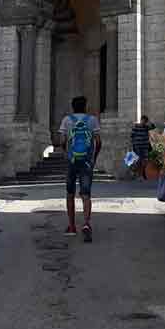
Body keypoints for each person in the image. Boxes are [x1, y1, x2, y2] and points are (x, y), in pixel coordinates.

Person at [59, 95, 101, 241]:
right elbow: (98, 142)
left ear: (72, 106)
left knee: (70, 194)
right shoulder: (92, 120)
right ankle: (87, 223)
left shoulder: (66, 120)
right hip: (87, 162)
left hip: (72, 161)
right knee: (86, 194)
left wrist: (67, 155)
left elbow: (62, 141)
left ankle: (71, 226)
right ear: (85, 106)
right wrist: (93, 159)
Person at [129, 114, 155, 179]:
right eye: (143, 121)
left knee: (144, 161)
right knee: (138, 160)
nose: (144, 122)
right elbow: (132, 136)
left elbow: (153, 127)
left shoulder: (146, 127)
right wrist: (132, 145)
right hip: (137, 146)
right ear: (141, 120)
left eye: (145, 121)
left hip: (144, 147)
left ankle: (141, 174)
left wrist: (150, 122)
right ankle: (138, 174)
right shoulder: (136, 127)